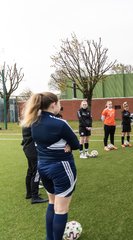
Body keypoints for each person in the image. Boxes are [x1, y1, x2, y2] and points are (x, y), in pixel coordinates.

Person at [21, 92, 80, 240]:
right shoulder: (60, 123)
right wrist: (69, 145)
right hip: (61, 167)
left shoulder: (33, 121)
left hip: (43, 167)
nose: (60, 106)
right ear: (53, 104)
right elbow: (76, 144)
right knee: (61, 209)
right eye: (59, 103)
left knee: (52, 203)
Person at [21, 127, 48, 204]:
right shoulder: (32, 122)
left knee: (30, 170)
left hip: (28, 148)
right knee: (36, 172)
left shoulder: (27, 121)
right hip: (33, 150)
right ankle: (34, 196)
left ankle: (29, 193)